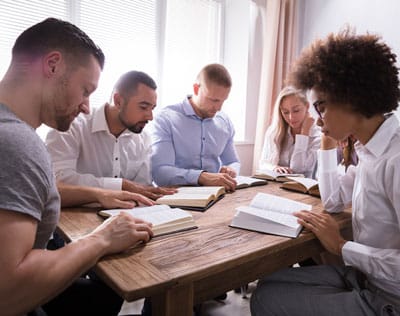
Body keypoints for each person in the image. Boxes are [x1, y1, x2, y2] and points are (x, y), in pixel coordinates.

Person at [0, 18, 154, 316]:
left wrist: (99, 197)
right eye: (85, 90)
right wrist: (103, 238)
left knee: (102, 293)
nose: (86, 106)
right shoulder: (18, 142)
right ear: (53, 65)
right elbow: (7, 291)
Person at [251, 30, 400, 315]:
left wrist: (342, 246)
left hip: (389, 298)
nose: (317, 120)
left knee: (265, 300)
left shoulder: (396, 159)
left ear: (351, 98)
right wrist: (329, 141)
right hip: (367, 278)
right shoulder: (370, 152)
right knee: (269, 284)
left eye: (321, 107)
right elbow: (332, 202)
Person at [46, 70, 176, 201]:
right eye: (143, 107)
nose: (150, 117)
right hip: (73, 216)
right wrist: (121, 185)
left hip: (126, 213)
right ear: (118, 101)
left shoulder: (143, 138)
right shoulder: (71, 126)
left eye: (152, 108)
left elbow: (142, 187)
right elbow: (59, 180)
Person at [151, 63, 240, 192]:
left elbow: (233, 161)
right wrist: (201, 177)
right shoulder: (166, 119)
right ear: (196, 89)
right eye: (214, 100)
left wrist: (231, 169)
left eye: (223, 101)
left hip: (216, 195)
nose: (219, 108)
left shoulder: (224, 121)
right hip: (177, 196)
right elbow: (160, 173)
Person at [259, 86, 321, 178]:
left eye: (296, 111)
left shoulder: (319, 136)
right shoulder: (274, 132)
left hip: (302, 190)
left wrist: (304, 133)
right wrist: (274, 168)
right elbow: (263, 164)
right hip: (276, 186)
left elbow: (297, 169)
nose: (291, 117)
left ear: (307, 106)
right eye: (285, 112)